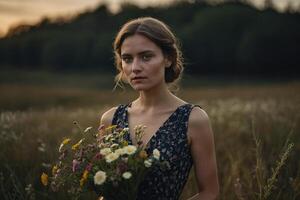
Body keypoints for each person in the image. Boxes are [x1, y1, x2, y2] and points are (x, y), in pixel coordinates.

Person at [100, 17, 219, 200]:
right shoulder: (111, 119)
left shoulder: (192, 119)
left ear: (168, 59)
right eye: (127, 59)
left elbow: (210, 192)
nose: (135, 67)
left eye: (146, 56)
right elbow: (104, 191)